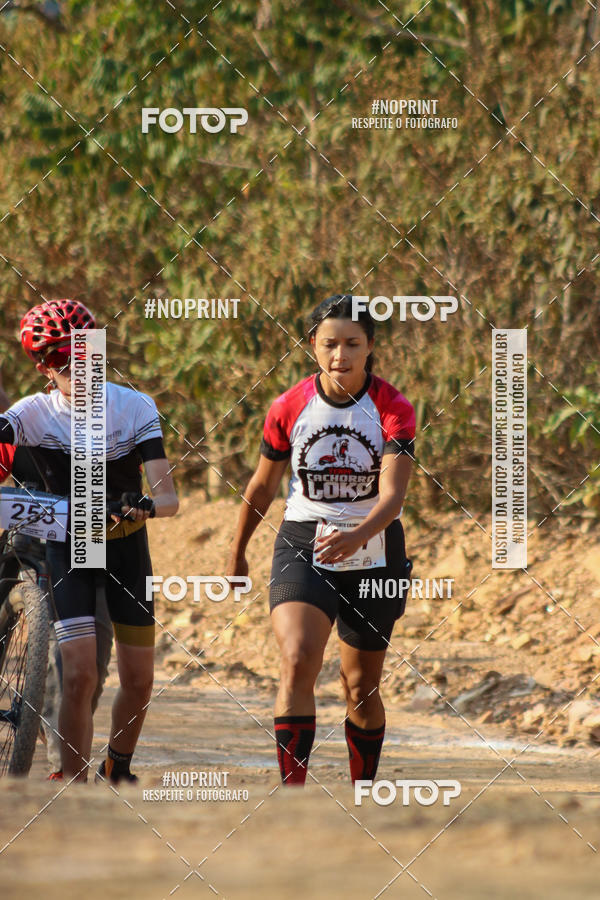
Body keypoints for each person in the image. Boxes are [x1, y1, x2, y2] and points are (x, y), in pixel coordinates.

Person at [226, 294, 415, 786]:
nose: (340, 355)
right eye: (329, 344)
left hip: (373, 545)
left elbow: (393, 497)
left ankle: (364, 793)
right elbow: (263, 486)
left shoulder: (393, 407)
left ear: (369, 347)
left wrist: (357, 536)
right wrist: (237, 551)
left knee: (361, 689)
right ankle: (293, 798)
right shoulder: (289, 406)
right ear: (312, 345)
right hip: (304, 540)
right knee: (296, 660)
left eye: (353, 344)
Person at [0, 299, 179, 783]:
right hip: (71, 546)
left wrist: (144, 503)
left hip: (126, 547)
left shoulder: (134, 406)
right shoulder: (32, 414)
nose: (79, 369)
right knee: (79, 674)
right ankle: (74, 787)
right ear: (43, 367)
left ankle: (117, 765)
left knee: (140, 680)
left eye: (87, 355)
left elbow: (169, 498)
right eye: (63, 361)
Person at [0, 369, 113, 780]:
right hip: (30, 546)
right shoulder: (25, 421)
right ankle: (61, 768)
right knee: (60, 653)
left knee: (92, 669)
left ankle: (61, 739)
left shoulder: (112, 423)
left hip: (91, 547)